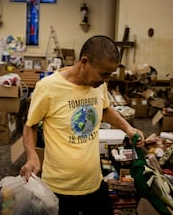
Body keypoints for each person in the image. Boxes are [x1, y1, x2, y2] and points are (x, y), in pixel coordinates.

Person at [20, 35, 145, 215]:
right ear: (84, 62)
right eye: (103, 74)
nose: (106, 80)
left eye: (110, 74)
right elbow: (30, 125)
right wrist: (32, 156)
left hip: (94, 183)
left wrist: (128, 128)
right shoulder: (48, 87)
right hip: (59, 189)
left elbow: (104, 110)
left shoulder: (97, 85)